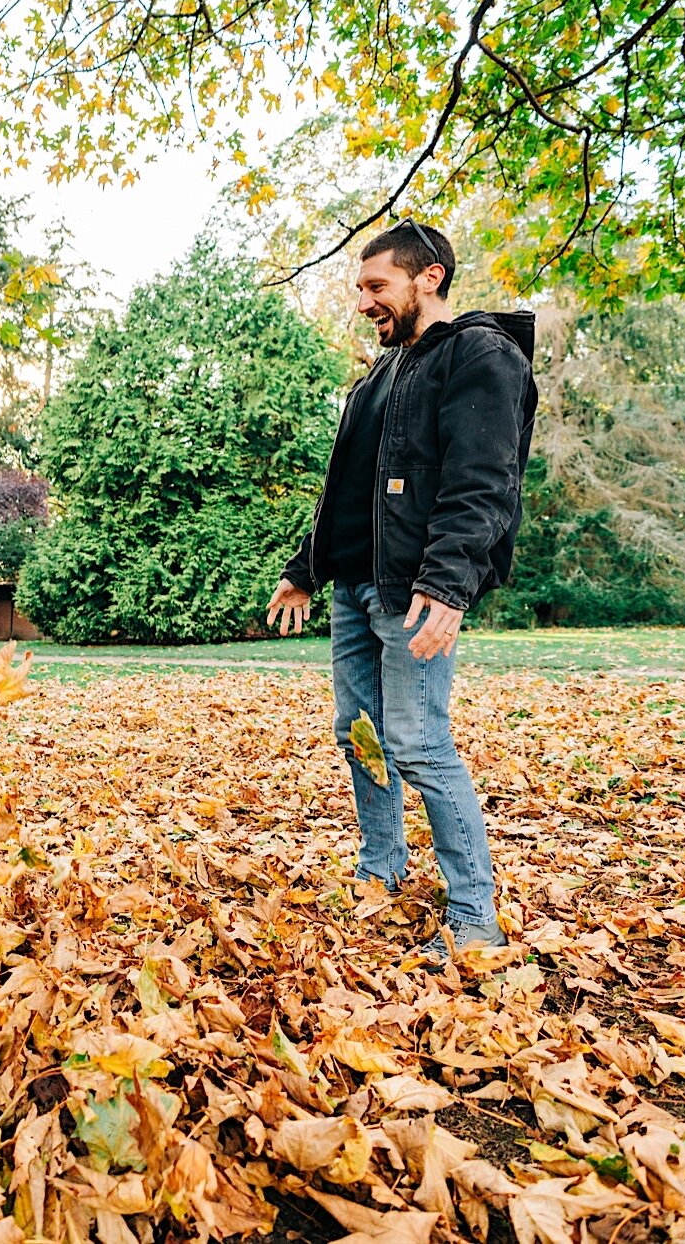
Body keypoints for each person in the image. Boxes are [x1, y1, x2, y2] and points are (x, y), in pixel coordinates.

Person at [266, 221, 537, 967]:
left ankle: (474, 917)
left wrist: (450, 585)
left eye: (377, 286)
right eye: (362, 289)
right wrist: (305, 567)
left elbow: (483, 483)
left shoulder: (481, 354)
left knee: (418, 741)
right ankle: (380, 870)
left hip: (415, 590)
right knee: (361, 738)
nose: (365, 302)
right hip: (356, 589)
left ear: (432, 278)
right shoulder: (379, 378)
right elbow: (345, 494)